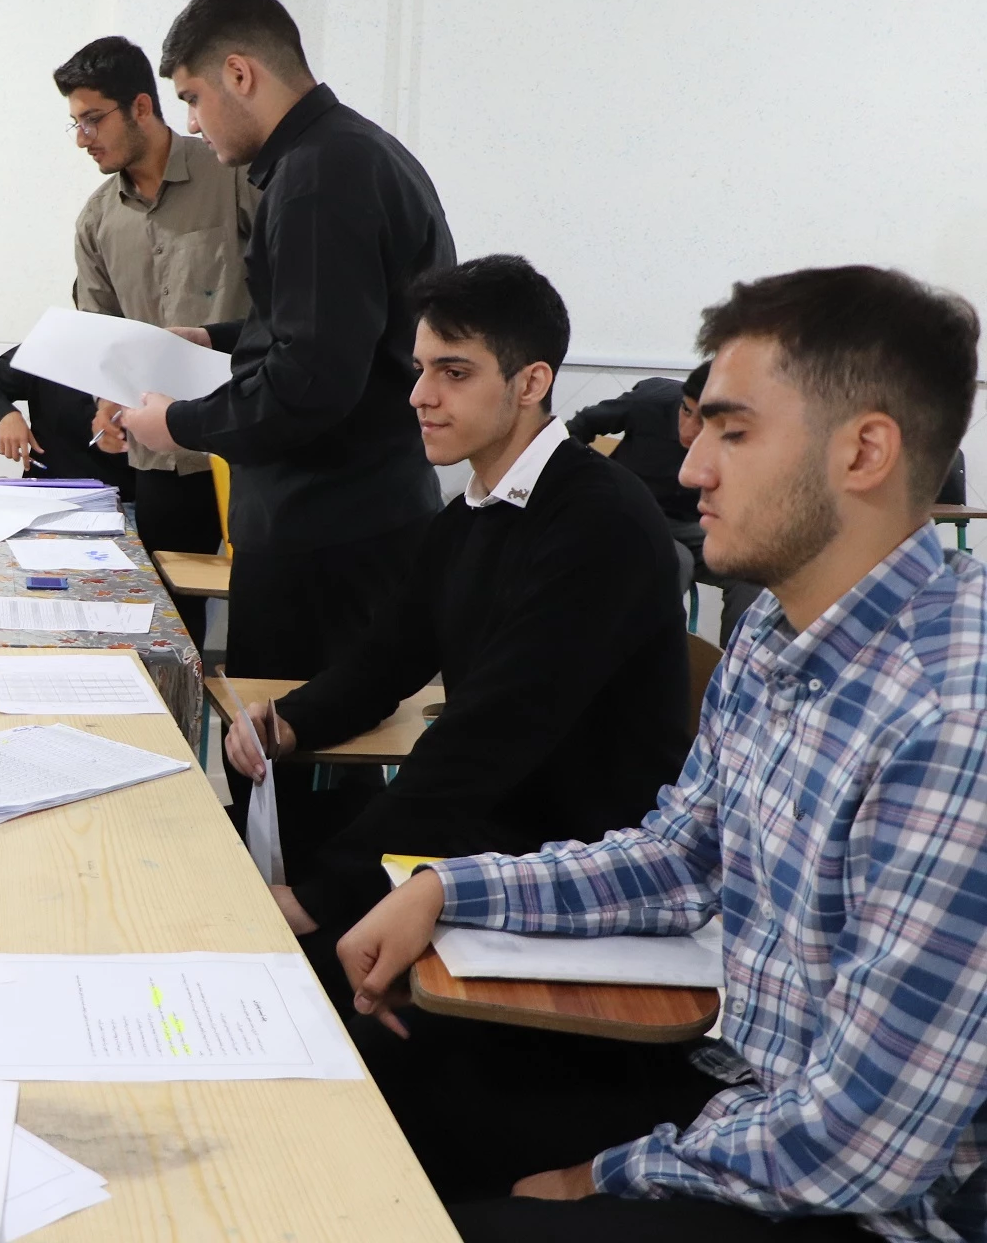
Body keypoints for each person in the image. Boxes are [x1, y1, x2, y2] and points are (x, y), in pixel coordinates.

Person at [337, 265, 985, 1243]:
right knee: (376, 1077)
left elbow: (862, 1142)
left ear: (864, 450)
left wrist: (602, 1176)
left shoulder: (950, 717)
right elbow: (682, 857)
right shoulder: (777, 631)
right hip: (737, 1091)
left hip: (864, 1207)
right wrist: (445, 889)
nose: (691, 471)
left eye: (734, 432)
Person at [225, 256, 689, 1002]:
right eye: (420, 370)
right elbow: (384, 661)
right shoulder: (472, 514)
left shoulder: (598, 523)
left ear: (530, 383)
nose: (420, 395)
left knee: (272, 979)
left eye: (454, 373)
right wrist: (287, 721)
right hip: (483, 840)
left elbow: (488, 737)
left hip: (565, 877)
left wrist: (325, 894)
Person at [112, 0, 452, 801]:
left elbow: (310, 384)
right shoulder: (349, 152)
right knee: (298, 773)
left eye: (193, 98)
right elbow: (325, 333)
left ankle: (308, 891)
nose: (193, 123)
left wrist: (178, 424)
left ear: (240, 74)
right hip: (353, 519)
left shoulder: (316, 176)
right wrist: (216, 339)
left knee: (293, 783)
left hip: (329, 535)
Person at [50, 34, 255, 644]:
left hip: (249, 446)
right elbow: (103, 337)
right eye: (76, 123)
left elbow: (289, 302)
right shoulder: (97, 219)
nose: (83, 138)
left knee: (265, 624)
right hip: (160, 455)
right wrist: (105, 403)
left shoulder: (233, 177)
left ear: (141, 106)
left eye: (93, 119)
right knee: (167, 629)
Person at [568, 362, 763, 643]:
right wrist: (588, 485)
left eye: (704, 420)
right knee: (676, 560)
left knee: (750, 569)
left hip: (691, 524)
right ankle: (643, 658)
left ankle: (735, 664)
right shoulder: (651, 400)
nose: (689, 429)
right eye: (686, 410)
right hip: (630, 515)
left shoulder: (743, 439)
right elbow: (575, 429)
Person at [0, 344, 138, 494]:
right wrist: (5, 415)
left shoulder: (136, 357)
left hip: (121, 497)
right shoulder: (51, 350)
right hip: (45, 493)